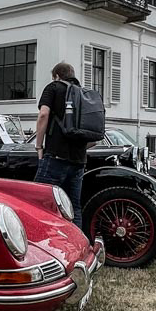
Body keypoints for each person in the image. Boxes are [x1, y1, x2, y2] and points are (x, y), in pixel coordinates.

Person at [33, 62, 90, 228]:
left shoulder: (53, 87)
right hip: (79, 160)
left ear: (57, 76)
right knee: (73, 207)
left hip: (56, 156)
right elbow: (94, 134)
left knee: (39, 202)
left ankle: (42, 240)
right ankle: (77, 241)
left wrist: (39, 146)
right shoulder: (84, 94)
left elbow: (43, 115)